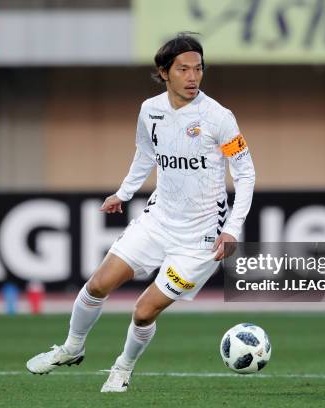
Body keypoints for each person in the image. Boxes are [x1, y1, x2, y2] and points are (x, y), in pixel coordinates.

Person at [25, 33, 256, 392]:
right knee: (98, 284)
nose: (193, 77)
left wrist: (233, 229)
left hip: (200, 240)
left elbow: (245, 173)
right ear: (164, 72)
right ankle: (71, 348)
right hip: (156, 221)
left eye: (198, 69)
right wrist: (124, 192)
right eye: (183, 70)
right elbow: (146, 154)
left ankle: (122, 367)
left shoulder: (219, 117)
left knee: (144, 310)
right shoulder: (151, 110)